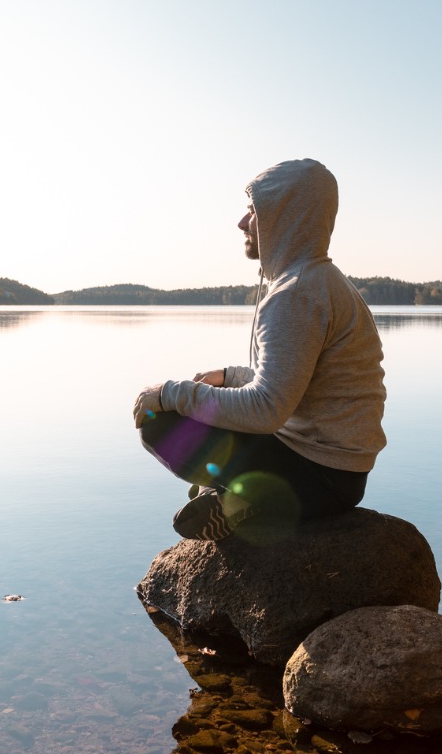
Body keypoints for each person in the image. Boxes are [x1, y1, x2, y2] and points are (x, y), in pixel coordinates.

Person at [132, 159, 385, 542]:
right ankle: (234, 495)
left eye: (253, 211)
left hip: (318, 476)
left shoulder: (295, 294)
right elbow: (296, 383)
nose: (242, 222)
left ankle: (244, 501)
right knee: (203, 408)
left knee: (160, 424)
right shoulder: (319, 281)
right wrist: (231, 377)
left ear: (284, 215)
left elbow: (267, 409)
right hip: (339, 475)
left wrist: (170, 394)